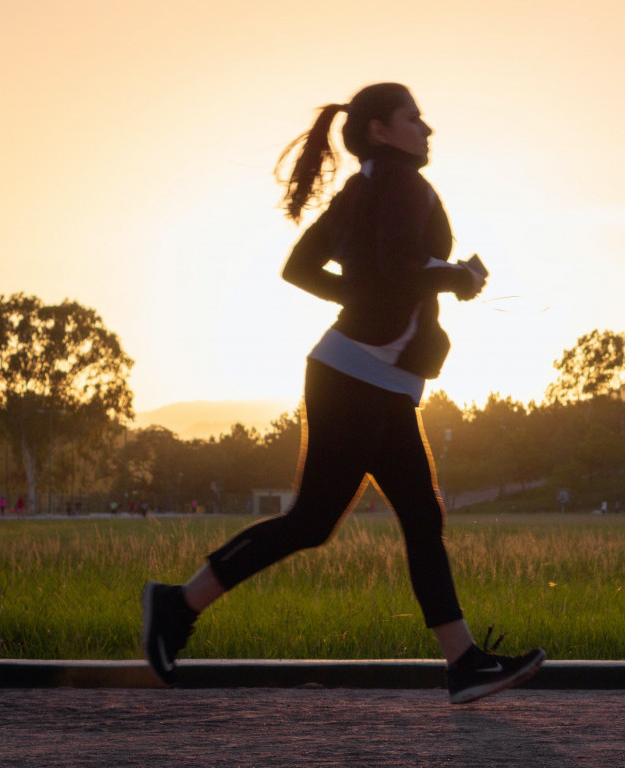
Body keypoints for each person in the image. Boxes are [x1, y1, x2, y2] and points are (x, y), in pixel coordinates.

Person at [142, 83, 544, 704]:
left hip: (367, 375)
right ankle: (176, 604)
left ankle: (463, 662)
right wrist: (458, 277)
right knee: (316, 521)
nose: (427, 128)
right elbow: (393, 270)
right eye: (415, 118)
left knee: (418, 515)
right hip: (357, 377)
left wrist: (366, 299)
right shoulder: (401, 187)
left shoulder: (364, 188)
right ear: (382, 129)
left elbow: (301, 268)